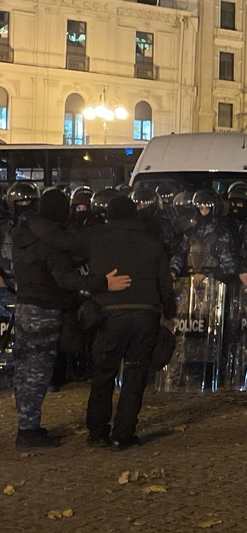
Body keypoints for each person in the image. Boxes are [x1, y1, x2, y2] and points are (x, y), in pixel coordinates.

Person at [12, 188, 130, 449]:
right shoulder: (50, 243)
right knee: (38, 371)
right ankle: (28, 432)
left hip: (24, 306)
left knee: (24, 369)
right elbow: (66, 279)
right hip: (44, 311)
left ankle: (27, 424)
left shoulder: (23, 235)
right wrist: (102, 283)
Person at [85, 196, 176, 451]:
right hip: (145, 313)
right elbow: (164, 282)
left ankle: (97, 431)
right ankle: (122, 434)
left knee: (104, 373)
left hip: (109, 313)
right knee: (135, 373)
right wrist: (169, 313)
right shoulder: (151, 242)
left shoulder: (96, 241)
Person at [170, 189, 236, 283]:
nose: (204, 212)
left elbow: (229, 266)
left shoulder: (222, 234)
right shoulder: (189, 233)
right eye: (201, 208)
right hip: (188, 284)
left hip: (213, 286)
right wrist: (173, 270)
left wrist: (207, 275)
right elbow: (179, 255)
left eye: (207, 208)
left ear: (214, 209)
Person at [129, 186, 177, 259]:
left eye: (145, 205)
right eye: (139, 205)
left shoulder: (163, 224)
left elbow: (170, 248)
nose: (142, 207)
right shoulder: (129, 225)